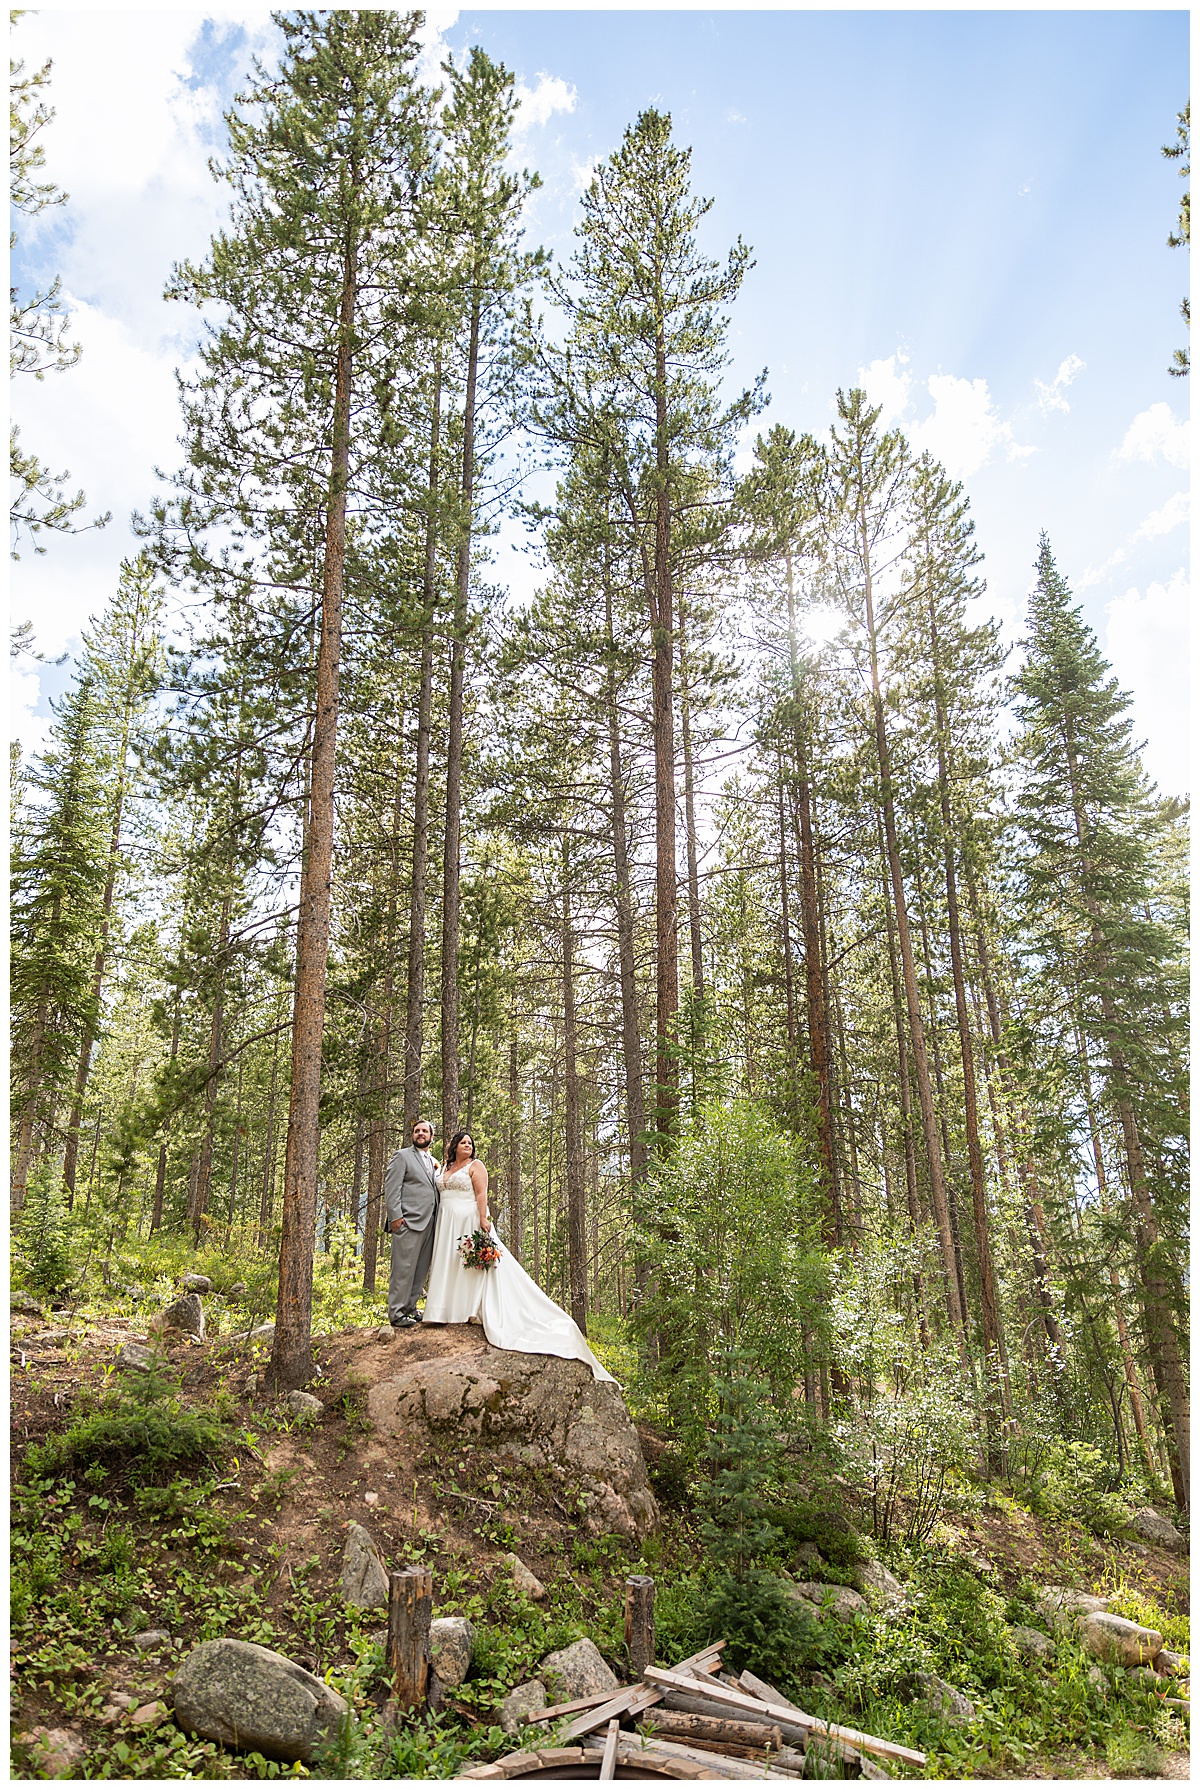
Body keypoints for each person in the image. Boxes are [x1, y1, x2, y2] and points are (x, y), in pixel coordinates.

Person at [424, 1130, 614, 1382]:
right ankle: (442, 1309)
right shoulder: (445, 1167)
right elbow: (438, 1180)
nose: (467, 1145)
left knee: (469, 1263)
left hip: (467, 1218)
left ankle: (467, 1308)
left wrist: (483, 1219)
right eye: (463, 1142)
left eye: (471, 1142)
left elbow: (481, 1194)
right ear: (455, 1146)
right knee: (448, 1263)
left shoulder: (475, 1166)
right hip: (446, 1221)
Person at [383, 1118, 440, 1330]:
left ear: (431, 1137)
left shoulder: (434, 1162)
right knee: (403, 1269)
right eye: (417, 1131)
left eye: (425, 1131)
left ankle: (410, 1308)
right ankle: (396, 1313)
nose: (421, 1133)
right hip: (407, 1222)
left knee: (419, 1269)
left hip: (430, 1223)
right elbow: (392, 1188)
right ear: (412, 1135)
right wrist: (395, 1217)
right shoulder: (402, 1156)